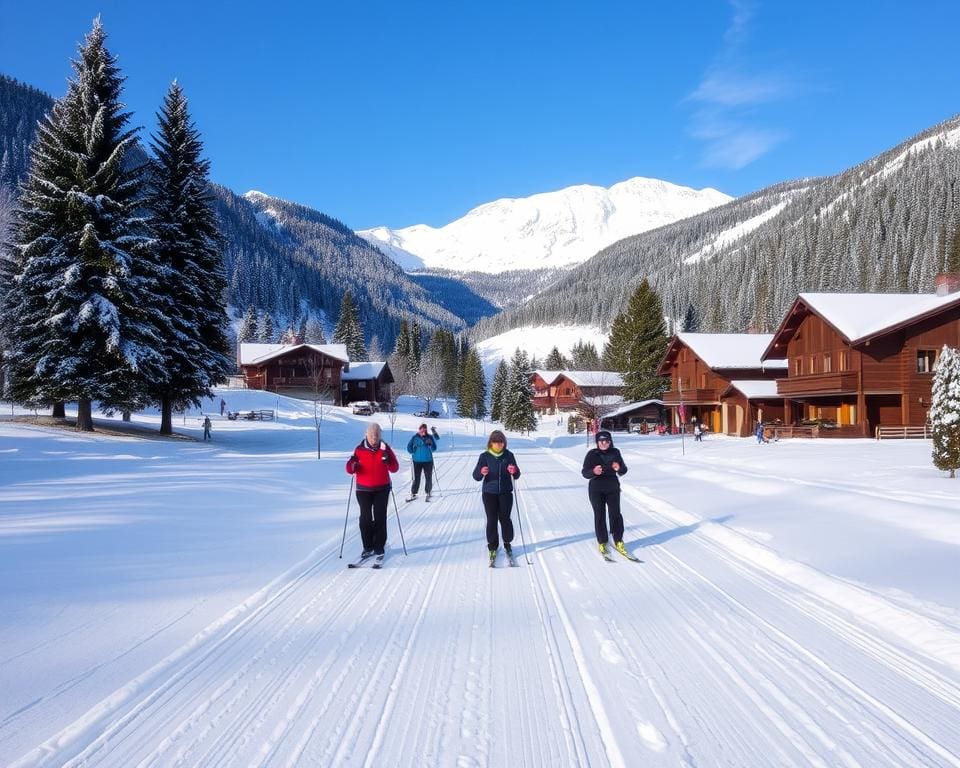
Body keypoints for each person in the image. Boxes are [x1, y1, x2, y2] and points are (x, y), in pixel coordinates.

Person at [346, 422, 400, 560]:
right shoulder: (359, 449)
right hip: (363, 490)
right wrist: (353, 464)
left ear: (380, 435)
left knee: (380, 517)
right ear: (366, 435)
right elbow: (349, 469)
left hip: (382, 488)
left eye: (376, 435)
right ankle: (368, 546)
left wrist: (388, 461)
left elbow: (395, 468)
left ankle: (379, 547)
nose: (374, 438)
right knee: (365, 518)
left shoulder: (385, 448)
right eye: (371, 435)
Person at [472, 429, 521, 564]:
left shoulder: (509, 455)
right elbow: (476, 476)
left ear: (504, 443)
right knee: (492, 520)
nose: (498, 444)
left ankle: (507, 542)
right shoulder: (485, 456)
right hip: (489, 493)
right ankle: (492, 547)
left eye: (501, 442)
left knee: (505, 519)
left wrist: (514, 470)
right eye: (495, 442)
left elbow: (517, 474)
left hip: (505, 492)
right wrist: (481, 472)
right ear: (491, 443)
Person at [581, 429, 629, 557]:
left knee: (615, 514)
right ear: (597, 442)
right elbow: (584, 472)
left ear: (610, 441)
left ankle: (618, 540)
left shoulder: (615, 452)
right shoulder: (592, 454)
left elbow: (623, 470)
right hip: (596, 489)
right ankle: (602, 541)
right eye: (601, 441)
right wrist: (593, 471)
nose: (604, 443)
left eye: (606, 440)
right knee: (599, 514)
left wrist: (619, 468)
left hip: (612, 487)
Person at [406, 423, 440, 501]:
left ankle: (428, 492)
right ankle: (414, 493)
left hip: (428, 461)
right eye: (421, 429)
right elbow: (408, 448)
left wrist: (430, 444)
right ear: (419, 430)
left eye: (424, 429)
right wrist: (412, 450)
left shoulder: (430, 437)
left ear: (426, 430)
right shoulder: (414, 438)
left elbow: (434, 449)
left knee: (428, 477)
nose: (423, 431)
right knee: (416, 478)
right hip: (417, 461)